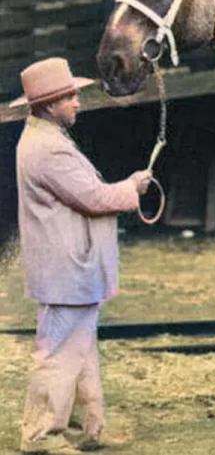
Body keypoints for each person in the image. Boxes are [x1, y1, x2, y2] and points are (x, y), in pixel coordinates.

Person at [11, 57, 153, 454]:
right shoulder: (48, 148)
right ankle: (42, 436)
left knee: (79, 353)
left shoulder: (46, 138)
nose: (77, 101)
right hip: (65, 270)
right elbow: (94, 198)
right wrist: (133, 186)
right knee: (59, 356)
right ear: (48, 104)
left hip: (69, 269)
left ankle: (85, 430)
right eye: (69, 96)